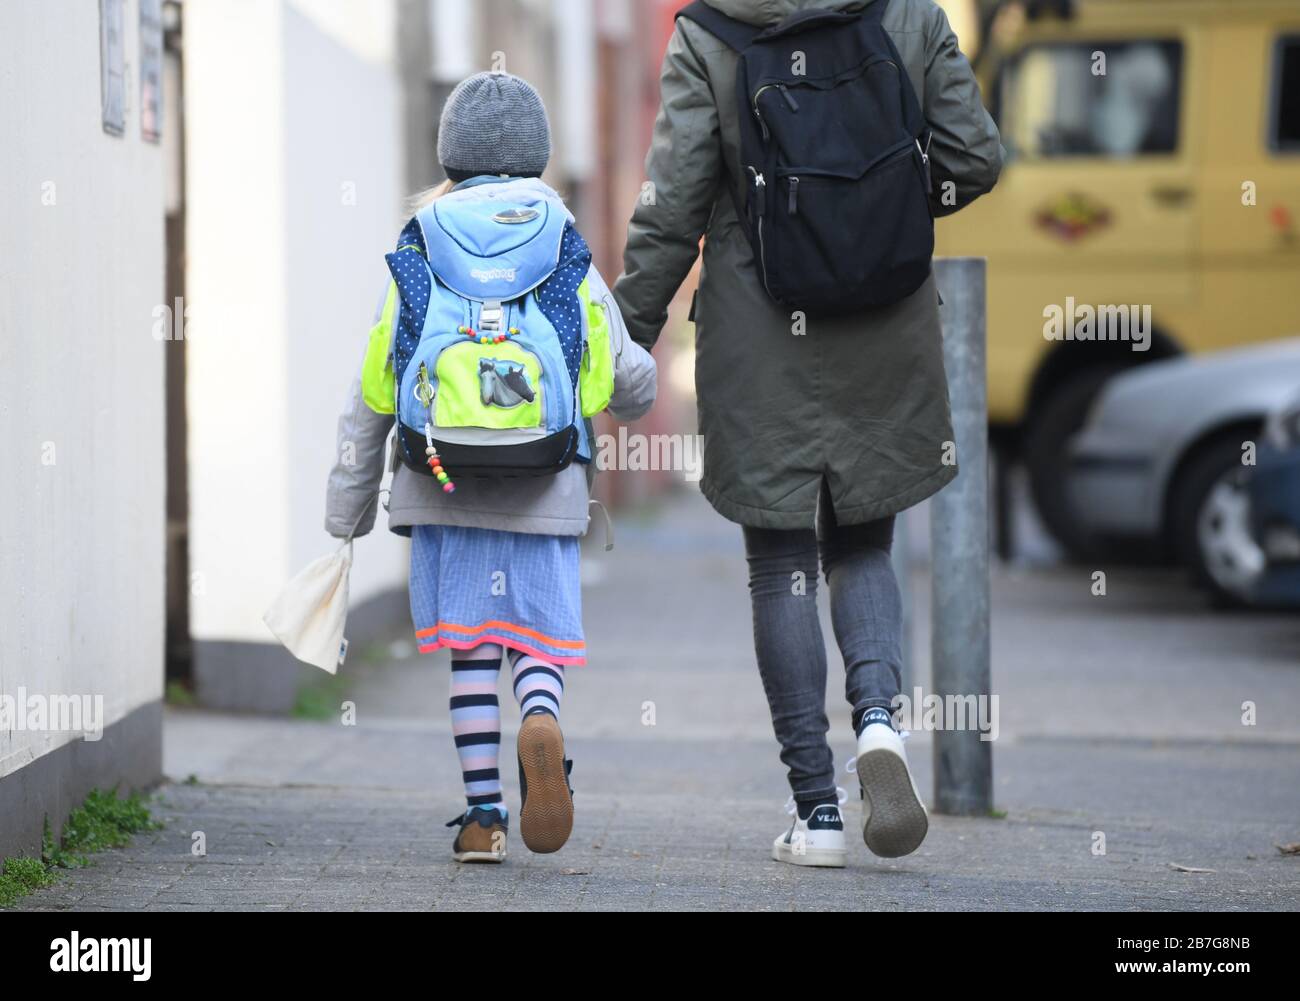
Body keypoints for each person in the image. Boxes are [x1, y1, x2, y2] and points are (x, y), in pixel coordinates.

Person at [613, 0, 1003, 866]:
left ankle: (817, 814)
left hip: (760, 328)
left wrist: (621, 338)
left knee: (782, 564)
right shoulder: (906, 14)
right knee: (863, 542)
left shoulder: (707, 33)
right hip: (882, 317)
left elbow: (673, 207)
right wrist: (885, 203)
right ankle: (880, 723)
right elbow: (976, 156)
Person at [325, 72, 657, 863]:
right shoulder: (562, 241)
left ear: (451, 157)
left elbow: (371, 389)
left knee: (471, 652)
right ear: (537, 159)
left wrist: (346, 513)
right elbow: (626, 371)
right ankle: (540, 713)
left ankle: (483, 818)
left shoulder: (419, 242)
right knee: (534, 641)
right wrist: (636, 396)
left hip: (441, 483)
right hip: (544, 484)